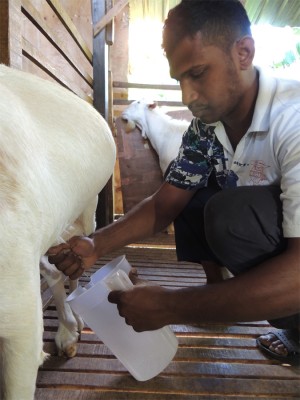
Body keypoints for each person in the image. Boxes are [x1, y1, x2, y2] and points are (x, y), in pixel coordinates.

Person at [48, 0, 300, 364]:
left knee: (230, 214)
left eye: (197, 73)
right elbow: (166, 202)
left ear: (243, 52)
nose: (187, 96)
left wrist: (171, 306)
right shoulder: (206, 126)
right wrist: (95, 244)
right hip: (272, 228)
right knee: (200, 203)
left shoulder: (291, 118)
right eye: (179, 79)